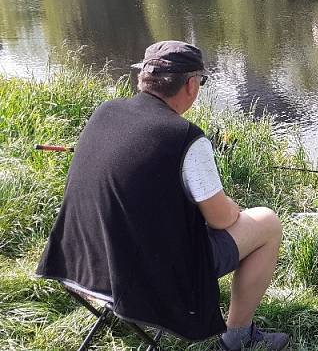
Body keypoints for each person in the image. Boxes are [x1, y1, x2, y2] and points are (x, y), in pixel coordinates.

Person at [36, 41, 288, 351]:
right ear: (192, 85)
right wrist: (234, 208)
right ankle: (238, 337)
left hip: (82, 263)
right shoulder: (185, 136)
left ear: (143, 78)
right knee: (267, 223)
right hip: (148, 279)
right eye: (202, 82)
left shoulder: (105, 112)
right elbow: (223, 219)